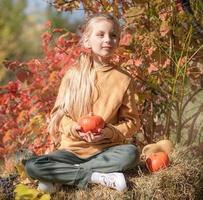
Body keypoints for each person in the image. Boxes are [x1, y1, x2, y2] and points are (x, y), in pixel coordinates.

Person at [24, 13, 140, 193]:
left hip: (105, 153)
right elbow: (59, 115)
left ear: (118, 41)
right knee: (32, 165)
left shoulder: (124, 79)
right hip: (70, 152)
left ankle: (63, 178)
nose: (108, 39)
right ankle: (94, 177)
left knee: (131, 154)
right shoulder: (73, 75)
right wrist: (75, 128)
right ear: (87, 41)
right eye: (100, 35)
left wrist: (108, 132)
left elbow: (132, 122)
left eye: (113, 35)